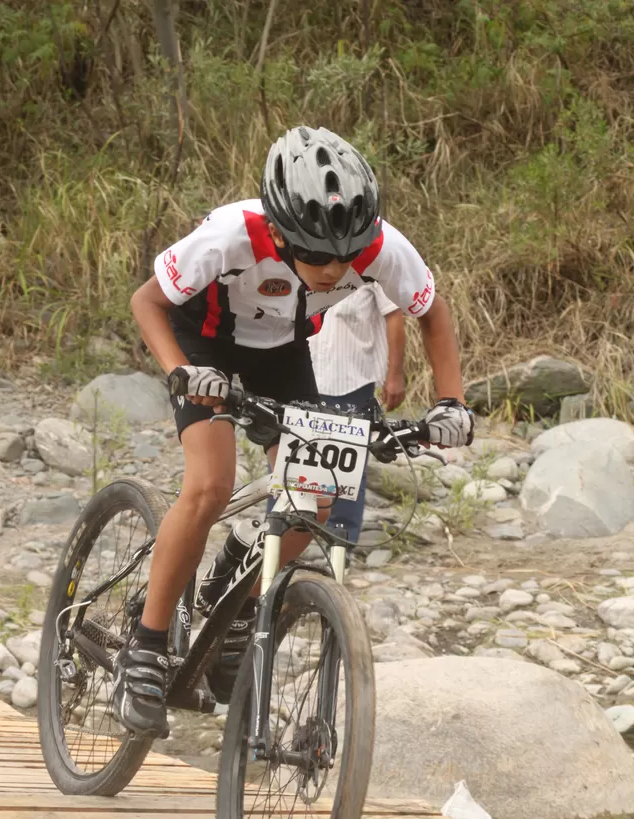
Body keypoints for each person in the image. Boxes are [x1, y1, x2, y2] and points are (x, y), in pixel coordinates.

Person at [112, 124, 473, 736]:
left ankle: (233, 612)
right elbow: (146, 302)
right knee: (210, 485)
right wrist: (180, 374)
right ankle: (143, 651)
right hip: (205, 343)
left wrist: (452, 404)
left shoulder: (377, 246)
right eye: (317, 258)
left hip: (282, 352)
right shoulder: (232, 232)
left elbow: (432, 312)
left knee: (319, 502)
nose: (334, 271)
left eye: (345, 257)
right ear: (278, 232)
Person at [309, 282, 406, 543]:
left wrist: (394, 374)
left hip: (352, 381)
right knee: (294, 459)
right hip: (303, 378)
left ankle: (341, 543)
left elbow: (394, 316)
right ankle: (281, 544)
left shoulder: (373, 268)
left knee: (348, 467)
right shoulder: (300, 255)